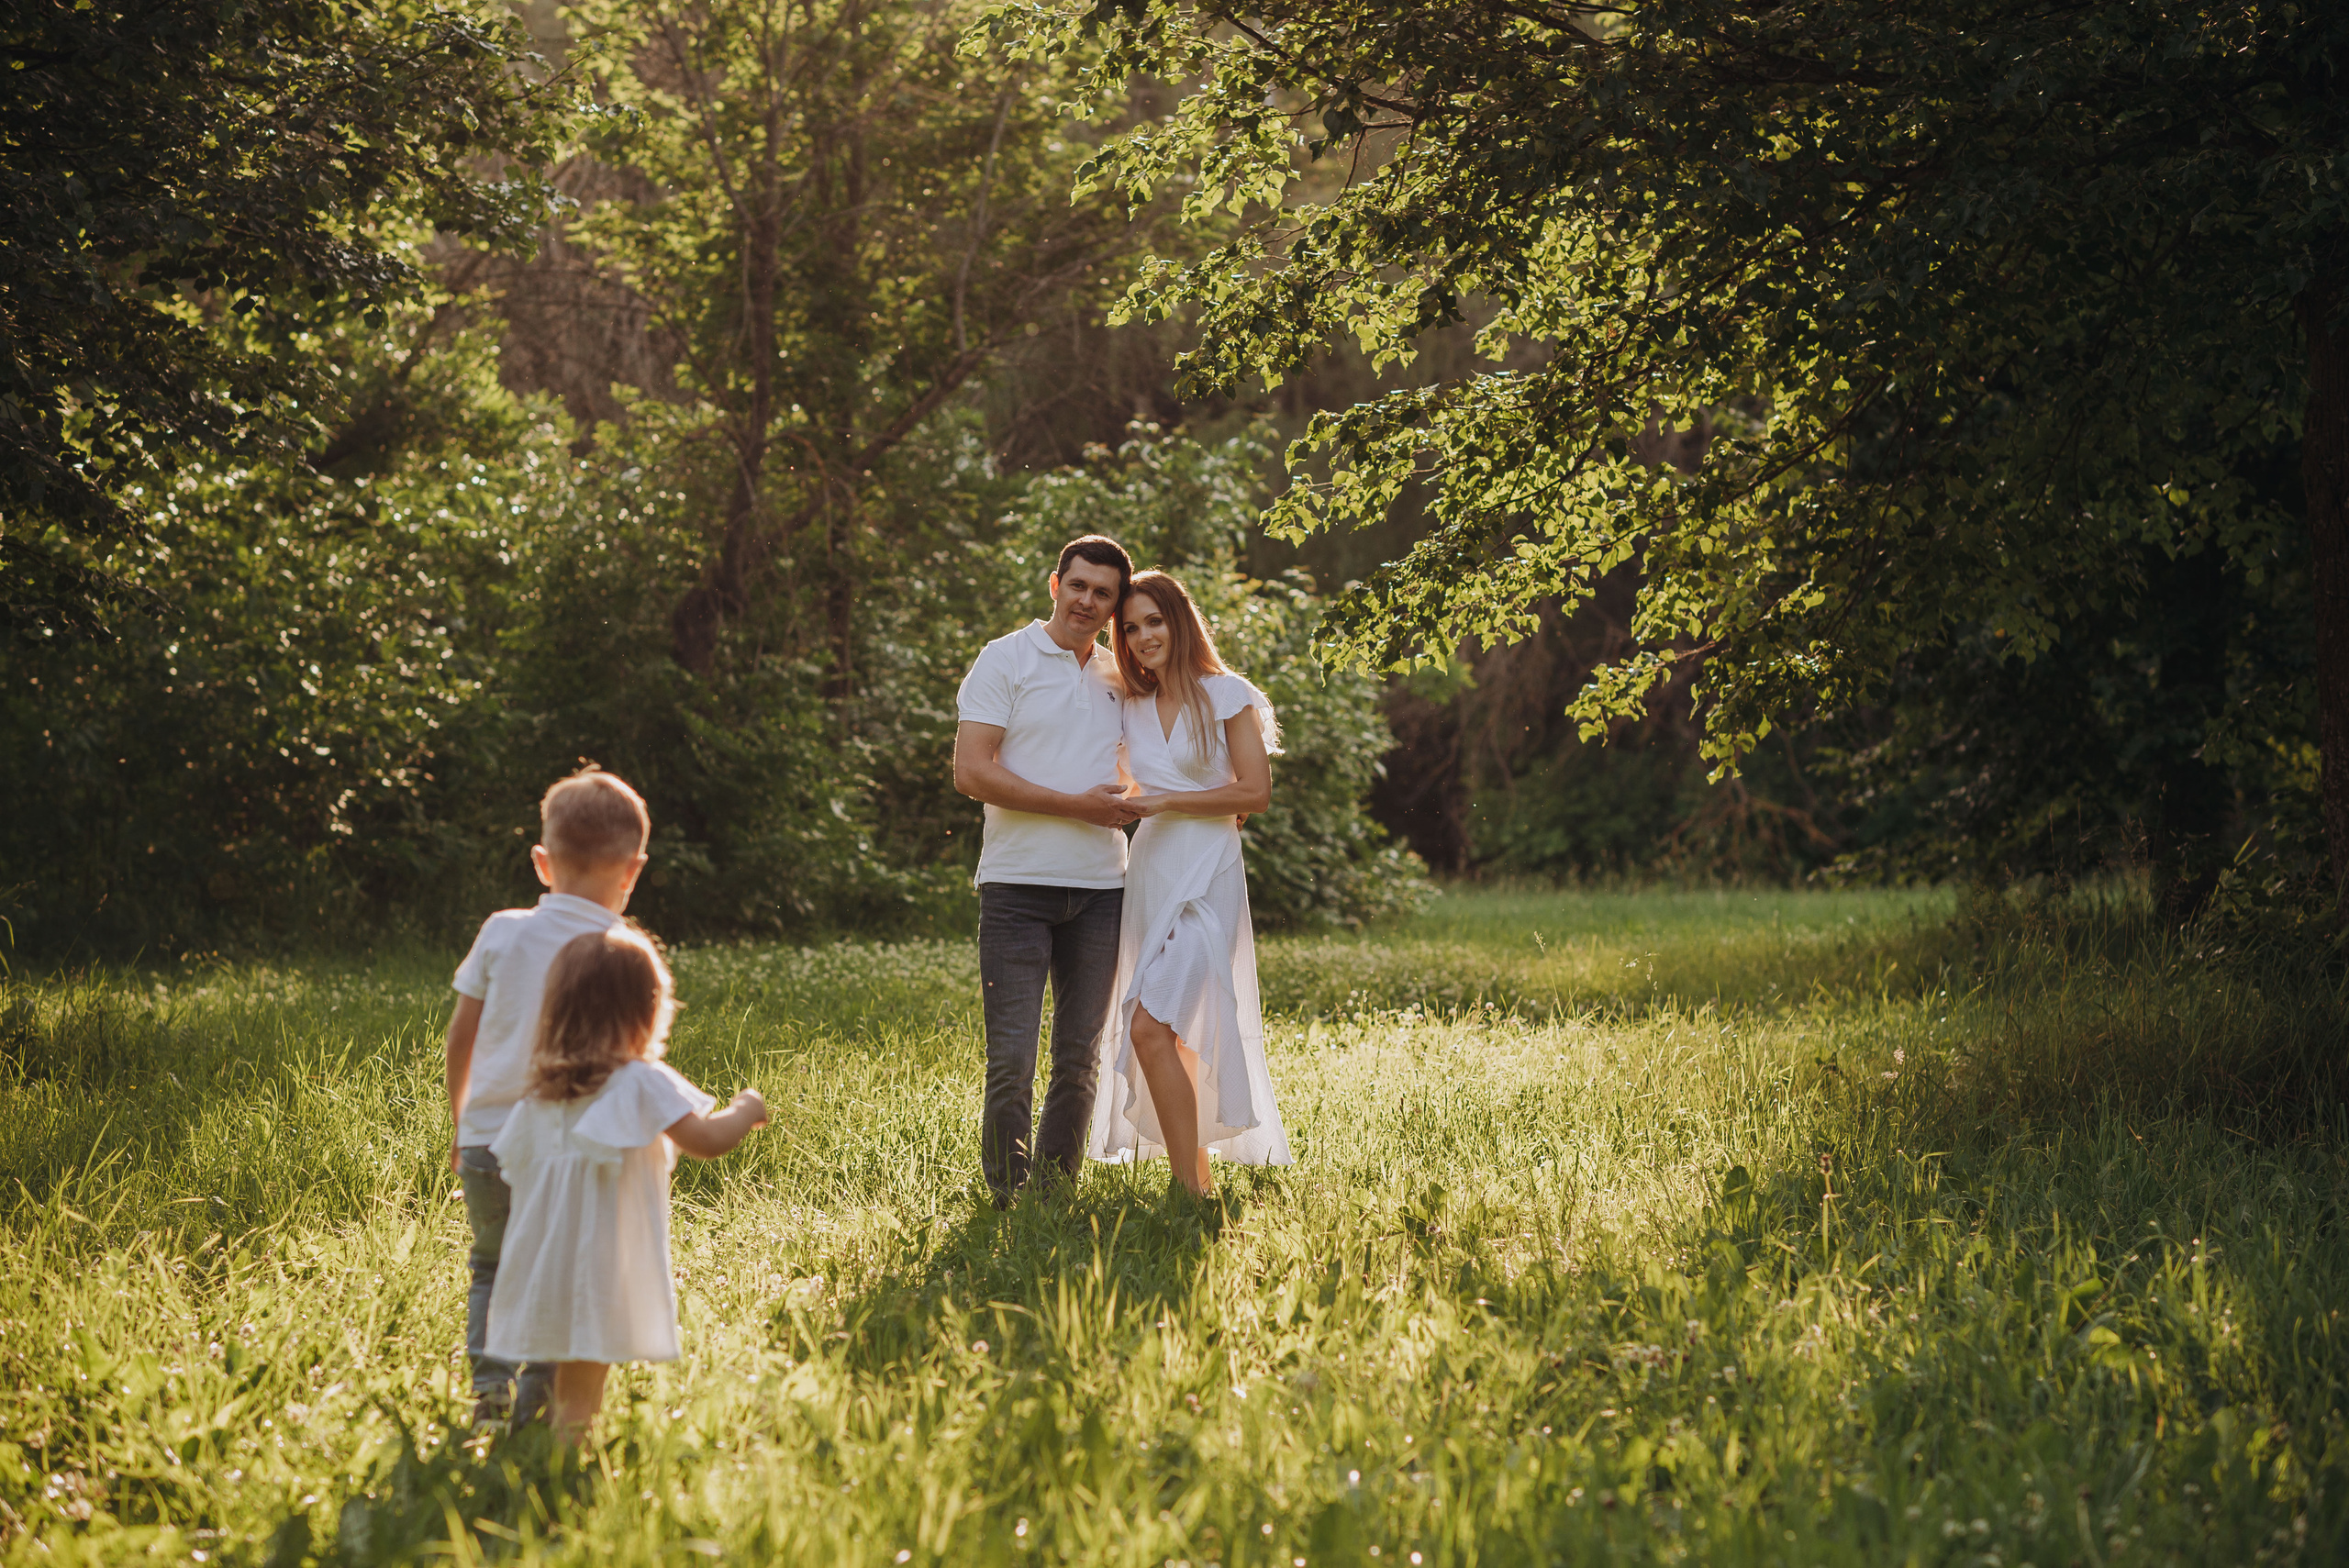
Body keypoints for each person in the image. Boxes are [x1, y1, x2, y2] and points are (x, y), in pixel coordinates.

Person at [484, 925, 769, 1443]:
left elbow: (513, 1169)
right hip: (599, 1265)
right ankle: (561, 1473)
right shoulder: (638, 1080)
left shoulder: (542, 1093)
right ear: (647, 1011)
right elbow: (705, 1139)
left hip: (541, 1263)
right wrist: (746, 1109)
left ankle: (529, 1446)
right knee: (581, 1391)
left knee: (560, 1375)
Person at [445, 766, 651, 1428]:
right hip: (564, 1151)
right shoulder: (622, 952)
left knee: (491, 1263)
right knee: (557, 1272)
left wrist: (463, 1122)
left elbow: (461, 1038)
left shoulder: (501, 931)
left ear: (542, 860)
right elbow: (632, 1065)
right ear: (633, 870)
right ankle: (539, 1395)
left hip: (486, 1140)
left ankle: (489, 1392)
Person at [1088, 570, 1293, 1195]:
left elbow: (1253, 791)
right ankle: (1196, 1181)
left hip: (1208, 876)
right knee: (1169, 1031)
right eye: (1130, 627)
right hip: (1152, 873)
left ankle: (1188, 1191)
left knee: (1151, 1027)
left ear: (1179, 621)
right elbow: (1128, 784)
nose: (1143, 635)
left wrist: (1168, 801)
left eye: (1154, 620)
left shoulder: (1226, 693)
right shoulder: (1130, 705)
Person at [952, 534, 1140, 1207]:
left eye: (1104, 593)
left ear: (1115, 606)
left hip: (1102, 889)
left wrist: (1213, 802)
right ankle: (1007, 1192)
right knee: (1010, 1057)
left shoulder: (1123, 674)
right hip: (1016, 887)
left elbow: (1146, 768)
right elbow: (972, 771)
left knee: (1081, 1056)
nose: (1089, 600)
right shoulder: (1004, 659)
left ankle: (1055, 1193)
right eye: (1080, 585)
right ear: (1055, 584)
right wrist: (1077, 808)